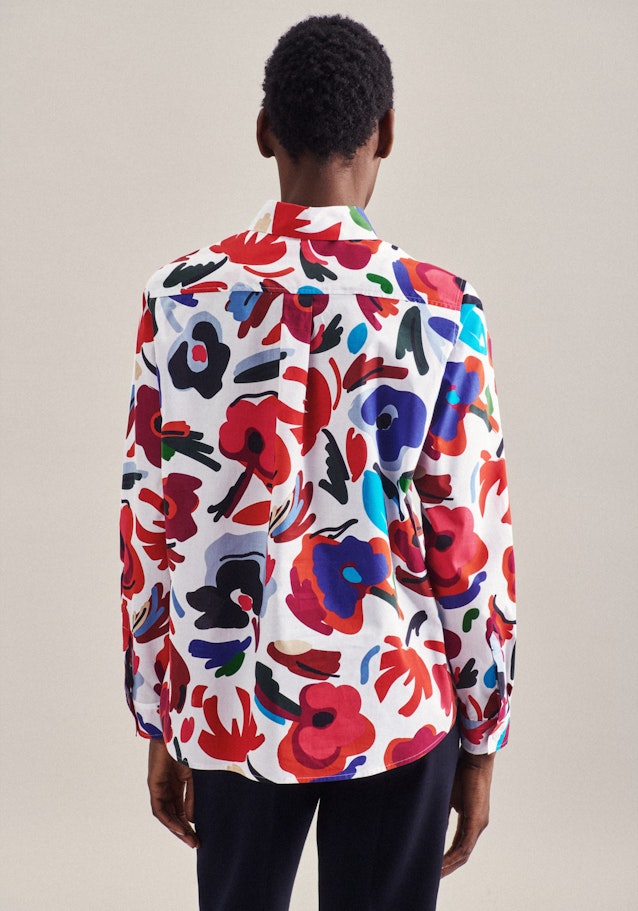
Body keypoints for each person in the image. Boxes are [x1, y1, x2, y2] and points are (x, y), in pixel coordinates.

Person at [120, 14, 516, 911]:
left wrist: (161, 711)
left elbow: (150, 519)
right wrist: (483, 731)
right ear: (386, 133)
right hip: (396, 701)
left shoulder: (179, 297)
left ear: (265, 131)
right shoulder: (441, 309)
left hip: (229, 700)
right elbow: (469, 536)